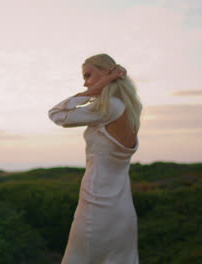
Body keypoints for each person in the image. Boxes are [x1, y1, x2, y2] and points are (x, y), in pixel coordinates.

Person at [48, 53, 142, 264]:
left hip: (97, 204)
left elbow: (57, 114)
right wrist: (100, 84)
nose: (85, 82)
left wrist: (93, 90)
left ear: (106, 73)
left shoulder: (108, 107)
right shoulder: (131, 108)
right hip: (123, 207)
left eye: (88, 75)